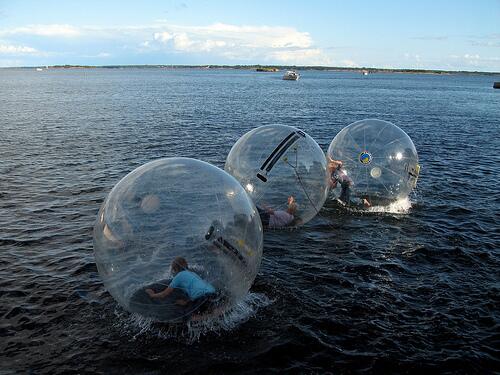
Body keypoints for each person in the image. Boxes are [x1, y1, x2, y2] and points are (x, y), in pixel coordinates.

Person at [146, 257, 217, 308]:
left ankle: (210, 316)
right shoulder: (192, 273)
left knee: (190, 317)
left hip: (203, 297)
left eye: (173, 269)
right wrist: (186, 302)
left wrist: (152, 294)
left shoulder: (179, 276)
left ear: (176, 269)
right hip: (213, 292)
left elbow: (164, 294)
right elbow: (197, 289)